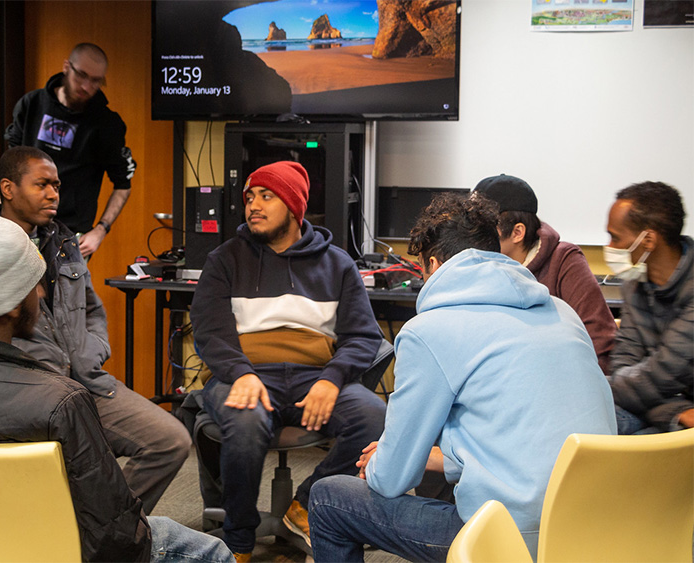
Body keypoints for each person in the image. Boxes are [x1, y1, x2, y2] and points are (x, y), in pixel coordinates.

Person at [0, 192, 232, 563]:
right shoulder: (61, 404)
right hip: (53, 551)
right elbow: (116, 538)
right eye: (34, 285)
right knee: (212, 550)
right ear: (11, 304)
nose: (41, 292)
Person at [307, 193, 617, 562]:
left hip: (512, 539)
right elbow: (525, 436)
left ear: (433, 264)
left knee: (329, 498)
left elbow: (392, 480)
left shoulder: (430, 331)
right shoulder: (562, 311)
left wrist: (384, 461)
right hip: (596, 527)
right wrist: (436, 459)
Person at [189, 161, 388, 560]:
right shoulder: (225, 259)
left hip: (312, 376)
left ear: (294, 207)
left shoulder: (338, 264)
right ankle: (238, 540)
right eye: (250, 197)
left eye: (267, 196)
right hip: (242, 374)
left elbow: (363, 337)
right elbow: (209, 331)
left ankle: (305, 506)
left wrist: (332, 379)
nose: (253, 206)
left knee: (373, 415)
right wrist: (240, 373)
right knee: (245, 423)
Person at [0, 146, 190, 512]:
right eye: (42, 185)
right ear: (8, 189)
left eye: (56, 184)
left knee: (170, 440)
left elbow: (92, 311)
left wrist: (90, 351)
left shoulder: (65, 244)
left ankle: (105, 530)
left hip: (85, 383)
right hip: (25, 392)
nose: (54, 193)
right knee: (64, 467)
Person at [474, 174, 617, 372]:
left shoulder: (564, 261)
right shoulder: (477, 266)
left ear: (517, 233)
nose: (472, 238)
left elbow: (598, 340)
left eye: (483, 230)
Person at [5, 42, 136, 257]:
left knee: (63, 291)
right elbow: (10, 167)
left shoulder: (106, 124)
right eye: (81, 76)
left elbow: (123, 184)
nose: (86, 86)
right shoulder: (31, 105)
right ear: (67, 67)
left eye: (95, 81)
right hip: (23, 227)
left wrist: (100, 230)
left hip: (71, 234)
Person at [604, 181, 693, 434]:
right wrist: (675, 413)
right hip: (668, 408)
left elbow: (663, 373)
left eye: (615, 237)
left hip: (678, 418)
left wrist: (610, 388)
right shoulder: (634, 284)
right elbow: (623, 364)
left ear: (649, 240)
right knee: (583, 419)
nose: (609, 247)